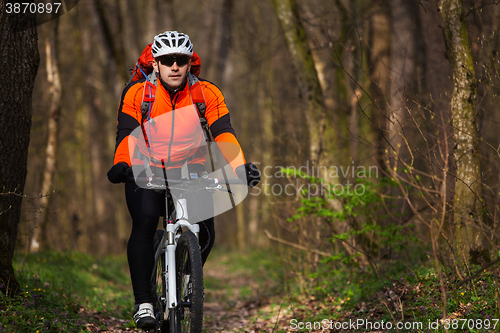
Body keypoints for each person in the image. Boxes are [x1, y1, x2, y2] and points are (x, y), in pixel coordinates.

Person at [106, 31, 260, 329]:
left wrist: (238, 167)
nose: (174, 66)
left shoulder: (206, 93)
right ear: (155, 64)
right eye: (167, 61)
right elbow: (126, 133)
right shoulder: (138, 93)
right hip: (145, 167)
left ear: (190, 64)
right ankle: (144, 302)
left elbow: (224, 133)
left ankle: (188, 278)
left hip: (190, 168)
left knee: (205, 232)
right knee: (146, 221)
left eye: (181, 60)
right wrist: (121, 164)